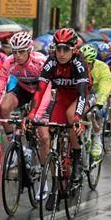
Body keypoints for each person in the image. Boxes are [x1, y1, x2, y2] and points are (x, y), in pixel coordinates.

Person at [28, 28, 92, 186]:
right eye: (58, 49)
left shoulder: (79, 63)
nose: (61, 53)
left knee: (71, 116)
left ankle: (76, 157)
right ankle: (55, 182)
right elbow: (40, 90)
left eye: (66, 49)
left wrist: (77, 117)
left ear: (74, 49)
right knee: (50, 128)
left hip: (79, 97)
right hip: (62, 97)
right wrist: (31, 115)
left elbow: (83, 94)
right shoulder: (51, 61)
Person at [0, 31, 46, 136]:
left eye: (21, 52)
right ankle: (11, 137)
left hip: (41, 91)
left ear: (29, 50)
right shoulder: (9, 62)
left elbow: (49, 88)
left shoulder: (40, 61)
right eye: (14, 52)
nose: (17, 55)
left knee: (44, 136)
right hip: (23, 89)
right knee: (4, 107)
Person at [79, 44, 111, 158]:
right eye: (84, 63)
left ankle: (97, 138)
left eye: (88, 63)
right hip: (83, 92)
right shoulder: (77, 66)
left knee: (95, 111)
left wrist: (99, 103)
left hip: (97, 93)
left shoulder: (102, 67)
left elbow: (105, 87)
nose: (86, 66)